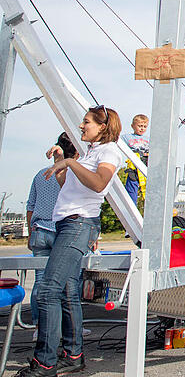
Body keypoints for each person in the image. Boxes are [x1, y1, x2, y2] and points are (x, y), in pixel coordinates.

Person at [17, 105, 124, 377]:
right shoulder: (90, 153)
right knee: (65, 293)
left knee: (49, 290)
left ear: (103, 126)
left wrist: (71, 162)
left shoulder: (108, 151)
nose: (81, 126)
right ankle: (73, 355)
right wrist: (63, 159)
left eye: (86, 122)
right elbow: (69, 186)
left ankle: (44, 363)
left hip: (79, 225)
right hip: (68, 222)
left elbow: (100, 184)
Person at [25, 134, 78, 331]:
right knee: (66, 281)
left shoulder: (40, 174)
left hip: (39, 229)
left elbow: (30, 206)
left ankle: (39, 325)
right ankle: (67, 327)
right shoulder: (68, 174)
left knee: (40, 281)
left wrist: (31, 232)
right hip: (60, 230)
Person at [118, 113, 149, 206]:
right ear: (133, 126)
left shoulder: (148, 139)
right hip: (134, 167)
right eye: (140, 126)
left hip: (145, 165)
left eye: (144, 126)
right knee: (132, 187)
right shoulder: (127, 137)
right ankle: (131, 205)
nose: (142, 128)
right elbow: (116, 140)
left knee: (147, 188)